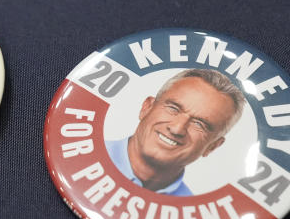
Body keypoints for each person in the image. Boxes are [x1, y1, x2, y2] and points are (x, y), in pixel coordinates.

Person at [105, 68, 245, 197]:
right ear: (146, 107)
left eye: (199, 124)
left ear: (213, 146)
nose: (177, 129)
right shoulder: (84, 154)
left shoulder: (191, 218)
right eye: (173, 108)